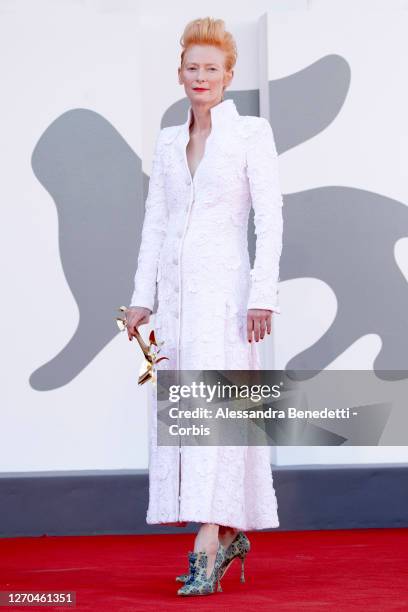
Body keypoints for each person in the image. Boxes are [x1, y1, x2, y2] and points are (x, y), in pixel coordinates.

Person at [125, 17, 284, 596]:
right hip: (175, 306)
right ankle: (225, 530)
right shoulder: (169, 141)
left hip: (227, 300)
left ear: (229, 76)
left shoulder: (251, 134)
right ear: (180, 74)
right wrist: (143, 299)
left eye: (211, 69)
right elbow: (156, 224)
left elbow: (270, 219)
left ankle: (209, 541)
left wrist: (262, 295)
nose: (201, 77)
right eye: (192, 68)